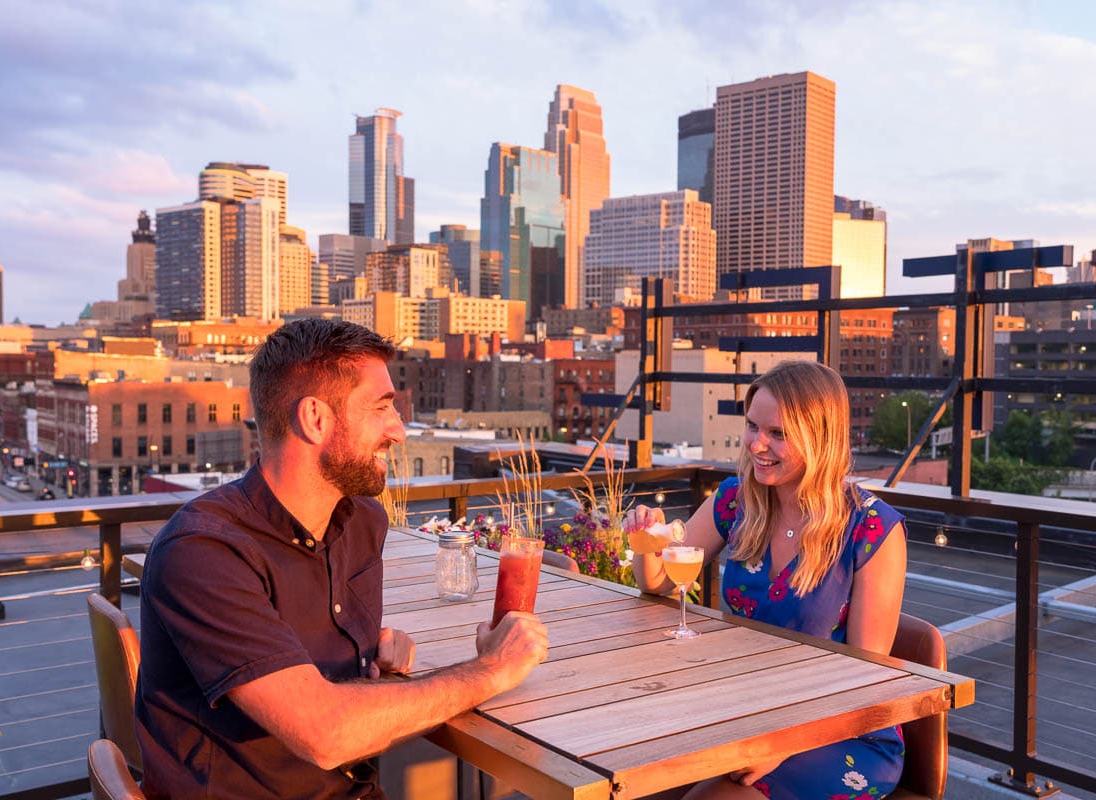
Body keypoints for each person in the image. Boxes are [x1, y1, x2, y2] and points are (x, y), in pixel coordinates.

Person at [135, 319, 549, 799]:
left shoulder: (361, 521)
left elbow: (325, 671)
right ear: (315, 418)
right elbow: (326, 733)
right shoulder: (203, 553)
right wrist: (492, 670)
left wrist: (368, 657)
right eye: (381, 408)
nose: (398, 430)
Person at [626, 360, 908, 800]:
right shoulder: (735, 501)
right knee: (628, 780)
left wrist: (783, 742)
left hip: (838, 732)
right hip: (743, 711)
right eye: (753, 426)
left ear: (820, 438)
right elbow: (660, 585)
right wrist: (647, 541)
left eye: (778, 434)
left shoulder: (872, 529)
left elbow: (865, 683)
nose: (758, 444)